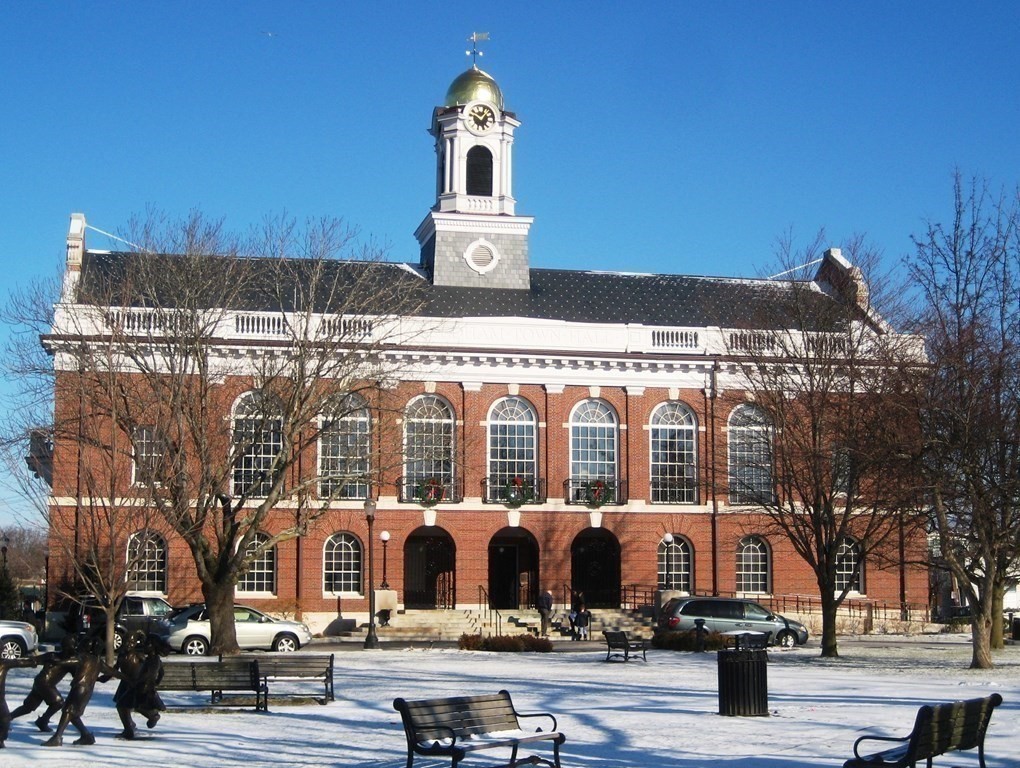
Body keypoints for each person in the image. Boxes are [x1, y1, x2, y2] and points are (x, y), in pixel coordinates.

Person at [43, 635, 117, 747]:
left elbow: (70, 661)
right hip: (86, 691)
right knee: (73, 714)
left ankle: (57, 737)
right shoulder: (97, 661)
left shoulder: (84, 657)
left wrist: (57, 662)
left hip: (80, 689)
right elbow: (110, 671)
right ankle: (86, 735)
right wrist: (122, 676)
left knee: (68, 711)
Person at [10, 633, 76, 733]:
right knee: (58, 702)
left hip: (42, 684)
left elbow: (77, 675)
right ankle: (43, 721)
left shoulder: (70, 662)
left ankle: (6, 718)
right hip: (44, 683)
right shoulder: (52, 655)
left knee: (28, 707)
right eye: (70, 646)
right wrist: (23, 663)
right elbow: (34, 660)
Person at [0, 654, 39, 748]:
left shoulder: (3, 663)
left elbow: (19, 662)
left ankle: (1, 739)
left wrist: (32, 662)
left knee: (5, 719)